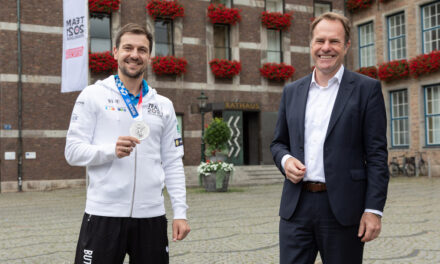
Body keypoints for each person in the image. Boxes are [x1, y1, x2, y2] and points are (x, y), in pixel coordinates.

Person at [65, 23, 190, 264]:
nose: (134, 55)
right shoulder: (92, 95)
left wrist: (180, 213)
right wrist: (110, 150)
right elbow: (72, 151)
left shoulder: (163, 104)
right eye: (128, 48)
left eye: (142, 50)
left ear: (150, 56)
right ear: (115, 52)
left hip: (151, 217)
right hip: (104, 214)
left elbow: (173, 162)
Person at [270, 12, 389, 264]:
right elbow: (278, 143)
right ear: (311, 45)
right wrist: (286, 160)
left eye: (334, 41)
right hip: (296, 207)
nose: (326, 48)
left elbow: (377, 155)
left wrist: (373, 210)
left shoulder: (366, 90)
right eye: (320, 41)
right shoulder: (292, 91)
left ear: (346, 46)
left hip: (344, 210)